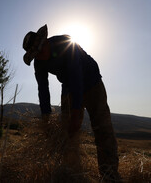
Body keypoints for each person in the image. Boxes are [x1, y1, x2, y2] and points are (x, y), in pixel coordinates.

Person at [23, 24, 121, 182]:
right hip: (68, 85)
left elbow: (77, 77)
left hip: (91, 81)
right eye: (35, 54)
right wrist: (46, 119)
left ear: (46, 41)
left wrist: (76, 114)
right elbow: (43, 90)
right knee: (67, 134)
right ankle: (74, 175)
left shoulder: (66, 45)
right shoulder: (39, 63)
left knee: (103, 129)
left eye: (40, 51)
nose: (39, 56)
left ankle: (110, 176)